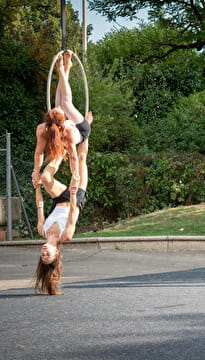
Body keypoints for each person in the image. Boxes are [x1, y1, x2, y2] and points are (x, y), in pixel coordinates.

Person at [34, 136, 90, 295]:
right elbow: (73, 212)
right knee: (81, 158)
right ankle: (85, 131)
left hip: (59, 199)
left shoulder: (42, 231)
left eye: (42, 255)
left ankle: (63, 148)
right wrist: (74, 192)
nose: (44, 251)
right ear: (56, 253)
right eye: (48, 254)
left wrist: (37, 187)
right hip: (75, 198)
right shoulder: (66, 235)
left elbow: (40, 206)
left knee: (44, 177)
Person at [32, 50, 91, 190]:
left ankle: (65, 68)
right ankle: (64, 68)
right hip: (79, 132)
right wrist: (36, 172)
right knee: (64, 104)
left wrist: (75, 175)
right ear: (62, 120)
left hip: (78, 129)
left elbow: (72, 157)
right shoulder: (48, 130)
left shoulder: (60, 129)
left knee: (62, 104)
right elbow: (39, 153)